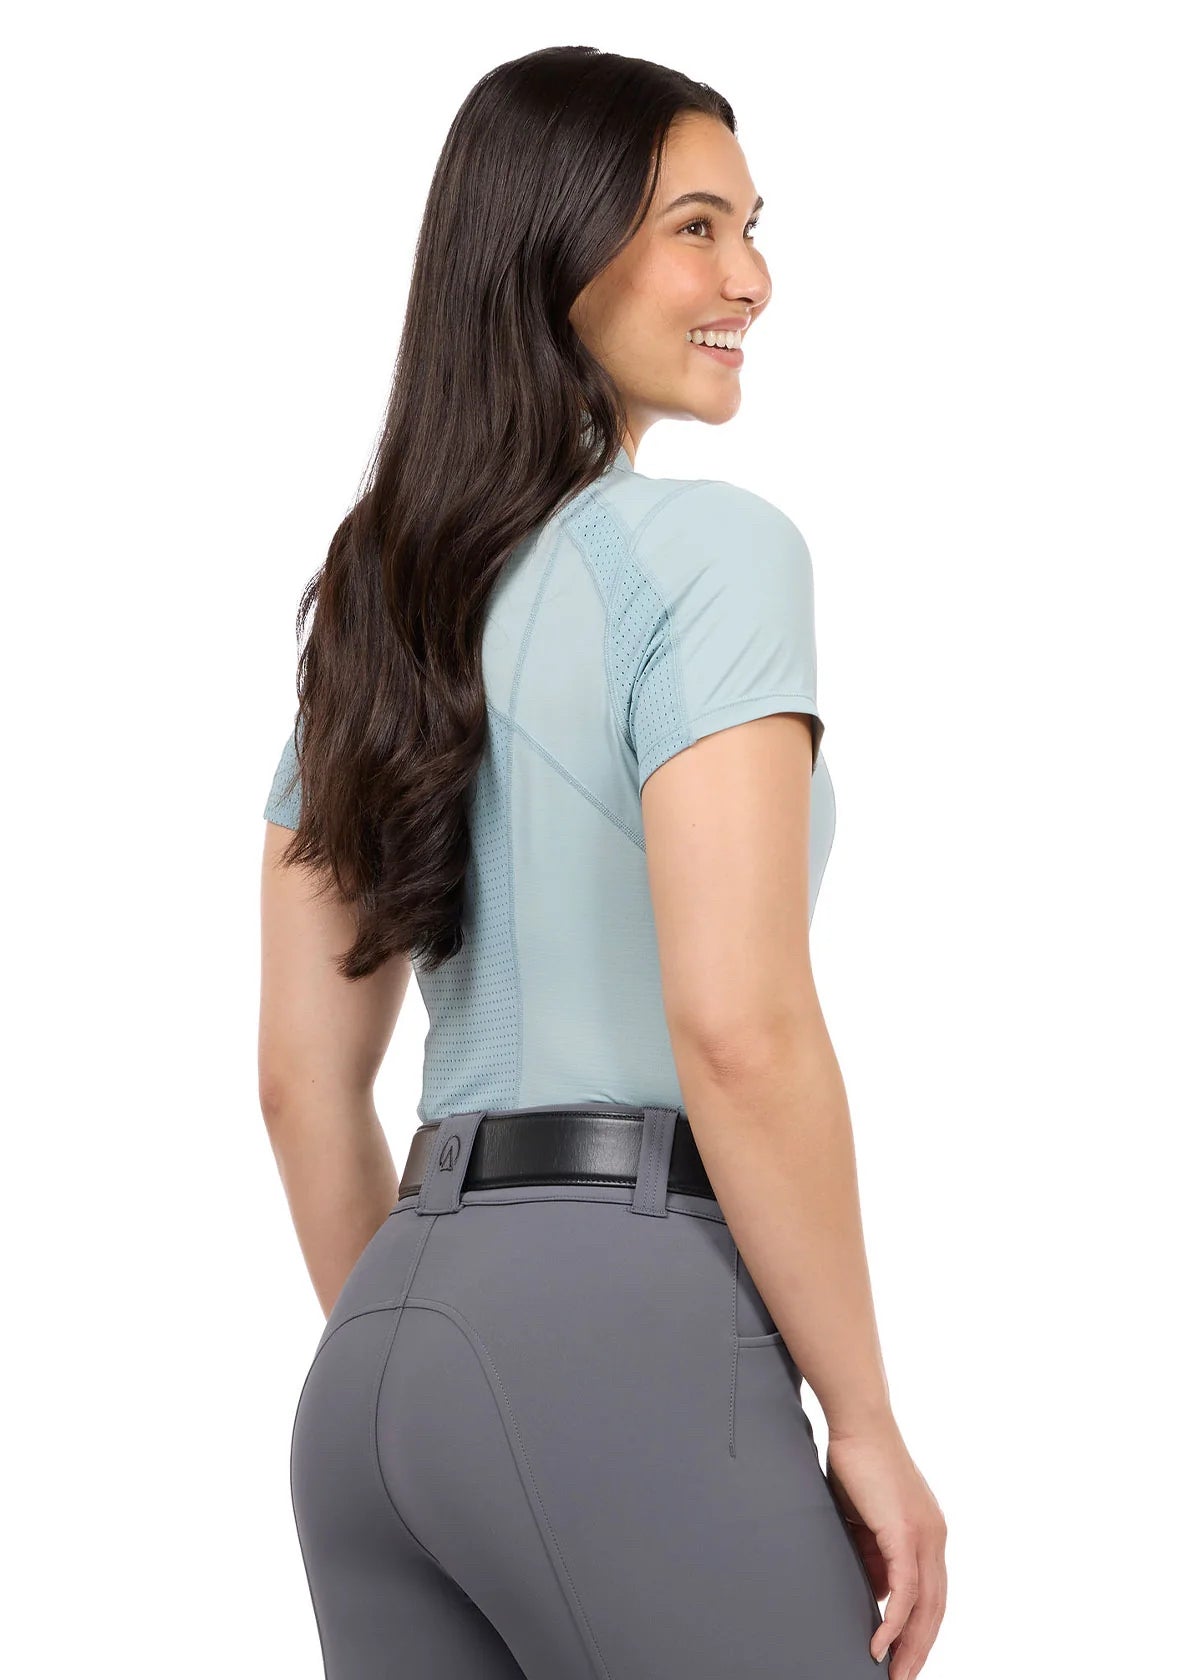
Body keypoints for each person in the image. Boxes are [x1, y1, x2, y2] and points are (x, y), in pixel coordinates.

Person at [259, 45, 946, 1680]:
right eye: (696, 228)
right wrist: (862, 1420)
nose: (751, 280)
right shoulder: (710, 554)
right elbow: (740, 1027)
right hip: (619, 1322)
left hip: (375, 1371)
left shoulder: (377, 613)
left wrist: (448, 1357)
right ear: (551, 249)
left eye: (753, 229)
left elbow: (298, 1081)